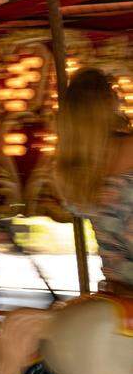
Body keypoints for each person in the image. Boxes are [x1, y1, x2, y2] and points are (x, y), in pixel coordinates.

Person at [53, 68, 133, 293]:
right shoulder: (129, 147)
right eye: (114, 95)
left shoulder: (70, 173)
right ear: (106, 106)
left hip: (116, 286)